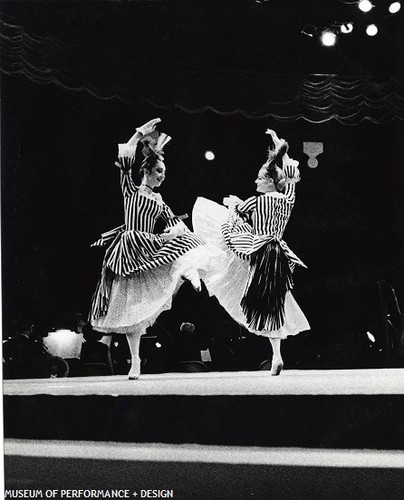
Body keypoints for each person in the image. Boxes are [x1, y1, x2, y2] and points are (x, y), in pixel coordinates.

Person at [89, 118, 220, 379]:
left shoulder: (160, 200)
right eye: (159, 171)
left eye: (164, 173)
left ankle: (189, 270)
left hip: (151, 245)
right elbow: (125, 160)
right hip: (131, 250)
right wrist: (139, 134)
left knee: (187, 238)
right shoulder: (132, 192)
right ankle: (135, 360)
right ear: (147, 171)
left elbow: (174, 223)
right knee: (132, 309)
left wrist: (175, 230)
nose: (162, 176)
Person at [192, 129, 310, 375]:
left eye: (259, 178)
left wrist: (234, 205)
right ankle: (276, 354)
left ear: (269, 181)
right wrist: (280, 150)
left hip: (260, 251)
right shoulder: (287, 199)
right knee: (273, 301)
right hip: (278, 252)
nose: (256, 182)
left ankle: (276, 353)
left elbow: (237, 213)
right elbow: (290, 179)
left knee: (261, 299)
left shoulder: (257, 201)